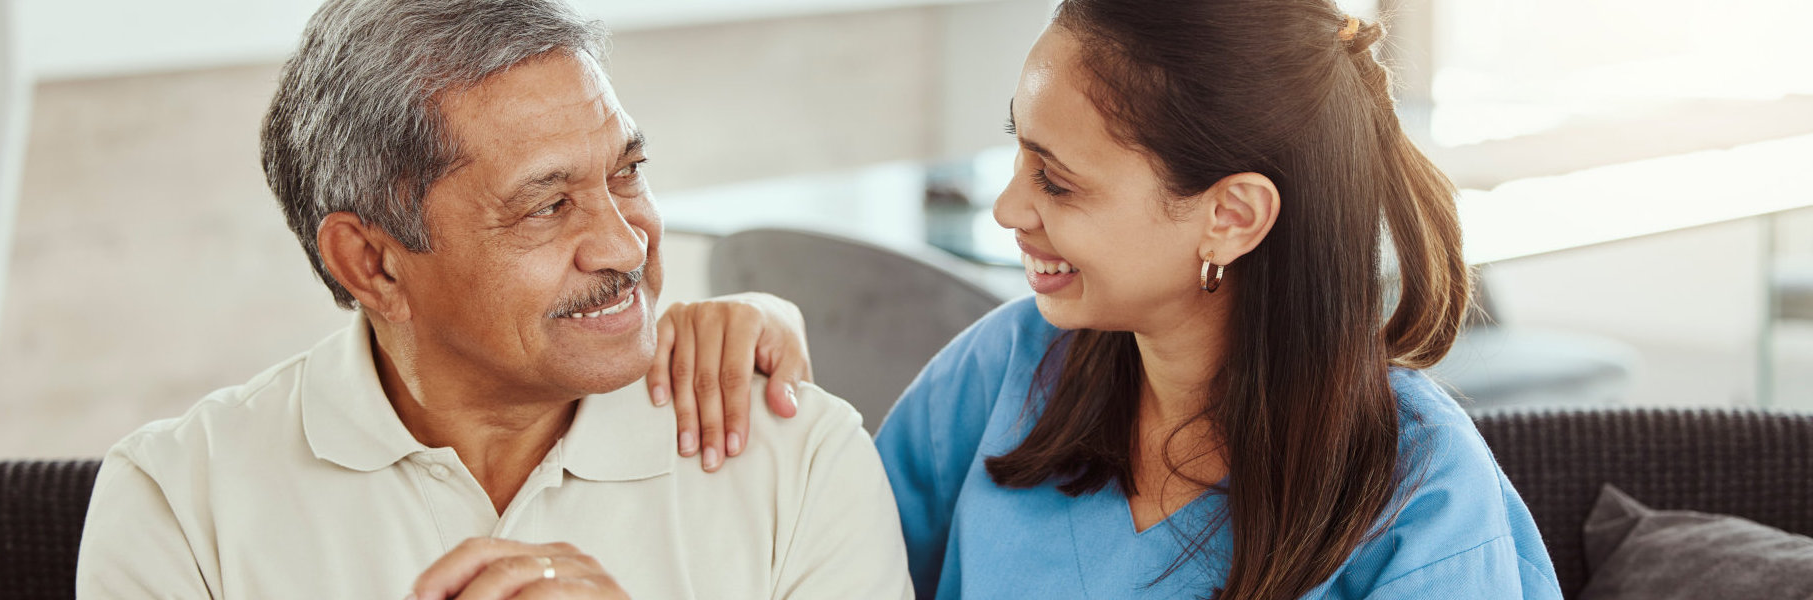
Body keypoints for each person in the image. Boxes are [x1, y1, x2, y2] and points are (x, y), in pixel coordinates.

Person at [662, 1, 1562, 597]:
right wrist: (772, 359)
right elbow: (818, 570)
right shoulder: (1007, 367)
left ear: (1230, 217)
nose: (1011, 208)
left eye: (1058, 182)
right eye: (1019, 153)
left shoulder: (1419, 489)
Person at [72, 1, 910, 598]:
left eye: (627, 174)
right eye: (547, 206)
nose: (626, 244)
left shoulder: (798, 460)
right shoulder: (179, 500)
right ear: (372, 264)